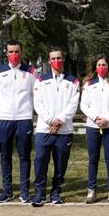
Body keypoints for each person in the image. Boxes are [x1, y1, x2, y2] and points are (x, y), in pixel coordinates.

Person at [0, 39, 37, 203]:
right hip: (5, 119)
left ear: (21, 52)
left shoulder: (31, 71)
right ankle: (7, 191)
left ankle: (24, 192)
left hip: (24, 119)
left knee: (24, 156)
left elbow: (34, 94)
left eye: (17, 51)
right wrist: (3, 109)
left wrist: (28, 111)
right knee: (5, 156)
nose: (14, 55)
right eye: (11, 52)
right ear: (6, 53)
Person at [31, 47, 80, 207]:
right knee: (40, 161)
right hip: (44, 129)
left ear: (63, 59)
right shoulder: (40, 80)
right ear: (49, 61)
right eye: (53, 59)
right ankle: (39, 192)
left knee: (61, 163)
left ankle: (56, 191)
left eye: (59, 58)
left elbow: (73, 105)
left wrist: (60, 121)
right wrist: (51, 120)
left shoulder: (73, 81)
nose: (56, 61)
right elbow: (38, 104)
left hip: (64, 130)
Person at [80, 54, 109, 204]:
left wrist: (107, 118)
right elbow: (84, 105)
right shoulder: (88, 83)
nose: (101, 68)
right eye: (98, 65)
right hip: (93, 127)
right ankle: (91, 191)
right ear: (95, 67)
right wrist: (96, 118)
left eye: (104, 65)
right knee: (93, 159)